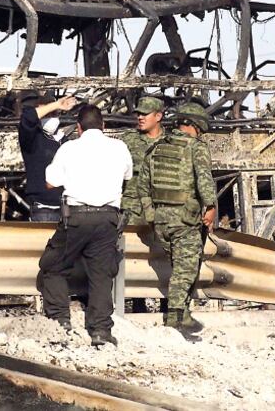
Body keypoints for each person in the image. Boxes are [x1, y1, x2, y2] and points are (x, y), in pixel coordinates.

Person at [37, 104, 132, 346]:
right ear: (103, 126)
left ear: (79, 128)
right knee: (101, 274)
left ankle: (60, 321)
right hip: (108, 218)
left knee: (52, 265)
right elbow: (127, 176)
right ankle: (100, 331)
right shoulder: (119, 147)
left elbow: (50, 182)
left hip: (77, 217)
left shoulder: (69, 148)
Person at [141, 102, 216, 333]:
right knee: (185, 270)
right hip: (185, 219)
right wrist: (211, 207)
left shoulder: (156, 148)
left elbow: (143, 186)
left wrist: (151, 214)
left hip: (161, 220)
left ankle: (183, 313)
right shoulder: (195, 147)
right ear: (195, 126)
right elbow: (204, 179)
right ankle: (175, 319)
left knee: (180, 266)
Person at [18, 94, 77, 222]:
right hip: (44, 210)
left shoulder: (64, 140)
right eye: (47, 114)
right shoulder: (32, 139)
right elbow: (28, 118)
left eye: (54, 114)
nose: (51, 117)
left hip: (67, 208)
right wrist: (56, 105)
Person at [119, 96, 165, 225]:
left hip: (161, 208)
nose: (140, 117)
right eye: (138, 114)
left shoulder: (170, 141)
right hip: (133, 207)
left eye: (145, 114)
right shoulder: (128, 140)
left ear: (158, 116)